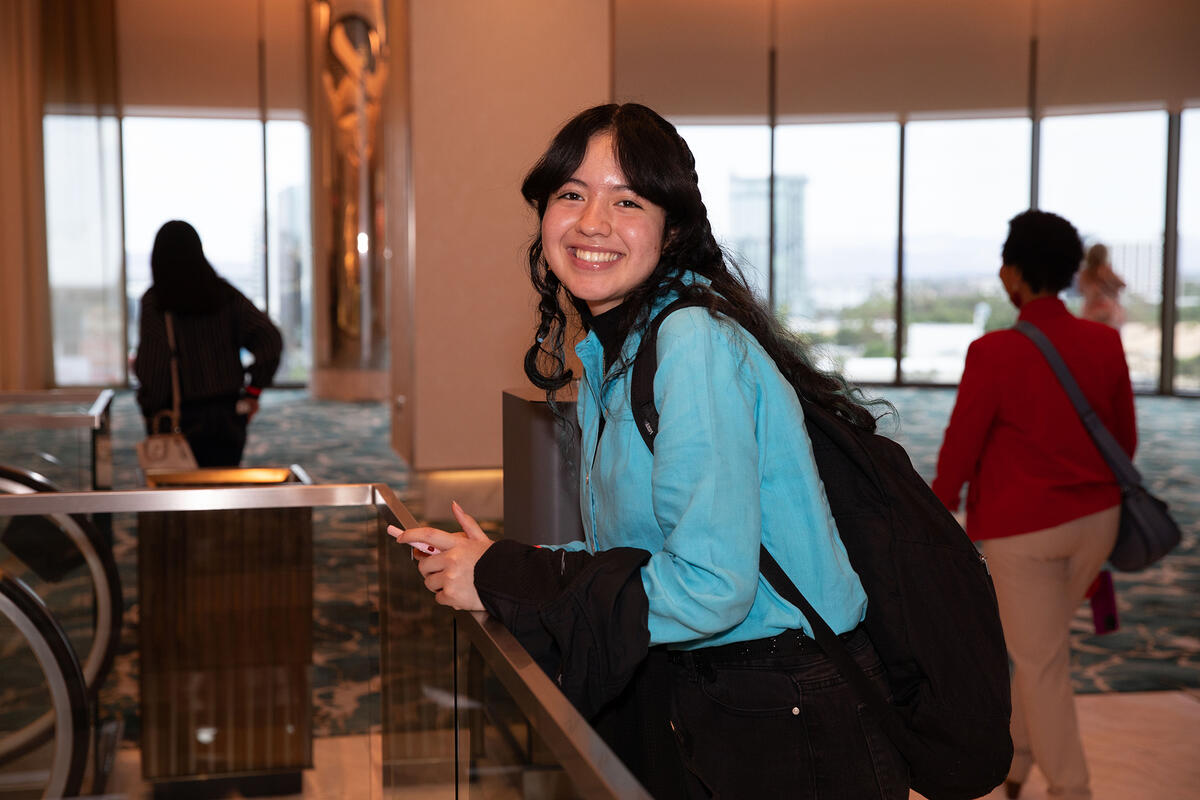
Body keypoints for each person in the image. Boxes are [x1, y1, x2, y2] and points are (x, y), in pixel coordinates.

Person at [389, 103, 908, 799]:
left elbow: (712, 590)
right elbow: (641, 554)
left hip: (785, 708)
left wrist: (516, 582)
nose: (592, 222)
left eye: (626, 200)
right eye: (571, 194)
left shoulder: (689, 344)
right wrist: (519, 567)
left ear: (672, 229)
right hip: (717, 689)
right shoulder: (620, 348)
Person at [931, 210, 1137, 800]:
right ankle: (1017, 762)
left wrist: (936, 514)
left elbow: (960, 452)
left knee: (1040, 658)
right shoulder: (1103, 342)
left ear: (1015, 274)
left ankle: (1072, 788)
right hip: (1098, 525)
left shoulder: (993, 352)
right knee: (1039, 645)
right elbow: (1124, 441)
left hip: (1023, 534)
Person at [134, 220, 282, 467]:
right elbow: (270, 339)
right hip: (229, 416)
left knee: (180, 497)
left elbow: (154, 368)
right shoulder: (226, 295)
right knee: (222, 490)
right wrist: (253, 391)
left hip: (180, 418)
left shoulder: (156, 302)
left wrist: (151, 411)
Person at [1076, 242, 1126, 328]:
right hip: (1108, 311)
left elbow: (1080, 290)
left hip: (1090, 311)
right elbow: (1122, 284)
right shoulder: (1106, 270)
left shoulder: (1084, 273)